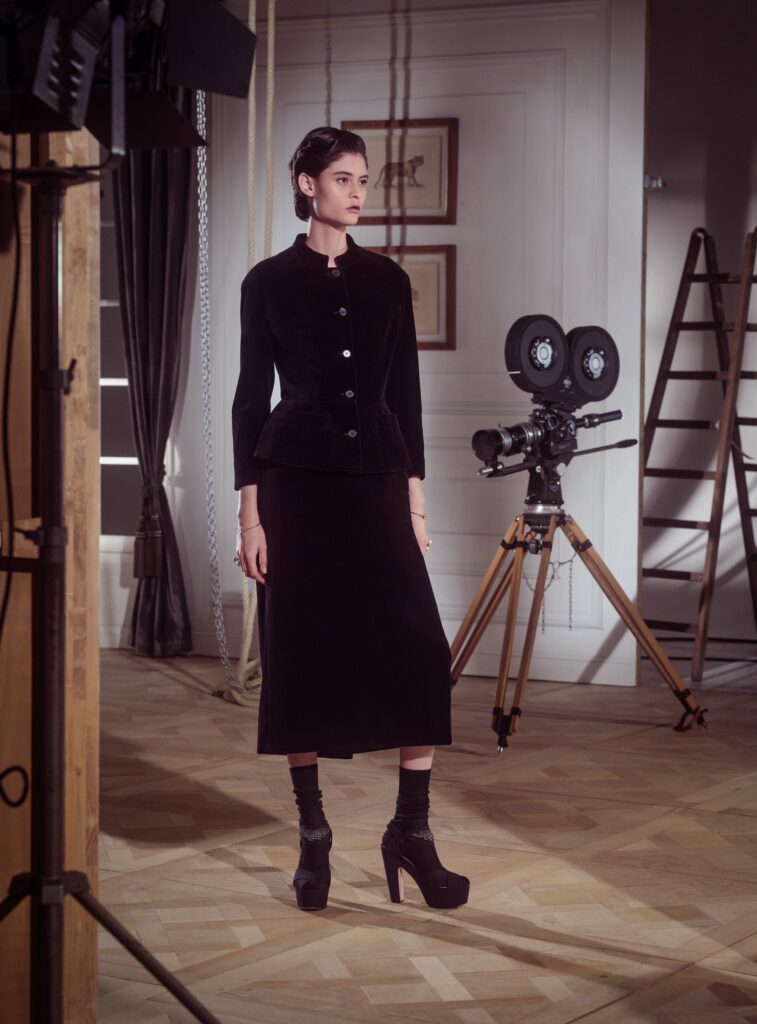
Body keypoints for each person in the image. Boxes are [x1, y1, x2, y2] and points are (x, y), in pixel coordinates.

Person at [231, 126, 469, 912]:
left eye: (363, 180)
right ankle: (313, 833)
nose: (358, 192)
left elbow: (406, 395)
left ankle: (412, 831)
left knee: (421, 652)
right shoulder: (267, 281)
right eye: (342, 178)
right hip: (293, 486)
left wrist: (414, 500)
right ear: (306, 184)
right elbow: (248, 400)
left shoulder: (387, 282)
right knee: (298, 655)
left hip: (376, 480)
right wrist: (250, 518)